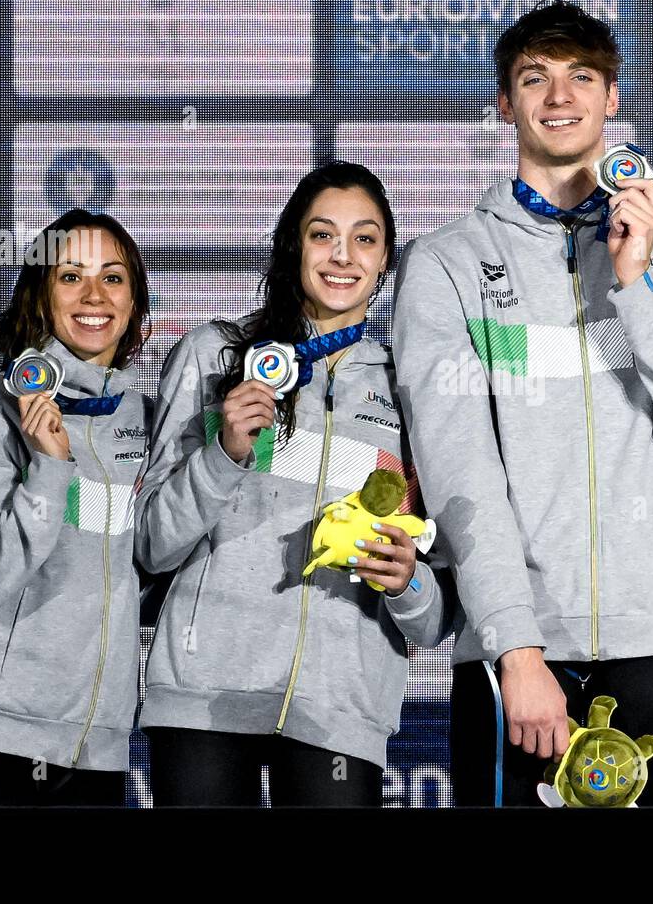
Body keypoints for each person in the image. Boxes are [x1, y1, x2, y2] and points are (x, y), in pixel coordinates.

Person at [392, 0, 653, 806]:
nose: (560, 96)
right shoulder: (445, 264)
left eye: (581, 76)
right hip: (518, 653)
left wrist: (639, 285)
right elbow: (460, 471)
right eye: (536, 78)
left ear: (613, 96)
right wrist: (517, 648)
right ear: (504, 103)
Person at [136, 161, 451, 807]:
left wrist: (409, 582)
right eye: (321, 235)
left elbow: (435, 619)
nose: (343, 256)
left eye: (364, 238)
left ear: (386, 258)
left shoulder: (411, 387)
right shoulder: (214, 356)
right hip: (205, 699)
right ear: (291, 245)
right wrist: (224, 454)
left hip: (340, 708)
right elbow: (151, 546)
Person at [0, 208, 153, 806]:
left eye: (114, 277)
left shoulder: (146, 422)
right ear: (40, 294)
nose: (94, 295)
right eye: (71, 276)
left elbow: (147, 563)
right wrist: (49, 467)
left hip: (97, 750)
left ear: (134, 302)